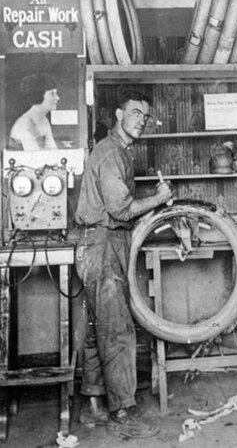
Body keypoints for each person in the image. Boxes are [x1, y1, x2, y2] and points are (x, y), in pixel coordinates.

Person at [75, 90, 173, 439]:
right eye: (134, 113)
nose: (140, 121)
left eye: (145, 117)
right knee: (117, 330)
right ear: (118, 114)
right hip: (103, 244)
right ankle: (122, 411)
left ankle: (93, 406)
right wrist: (160, 200)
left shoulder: (115, 151)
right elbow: (121, 210)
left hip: (95, 242)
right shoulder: (112, 153)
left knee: (96, 329)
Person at [8, 72, 59, 150]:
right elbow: (35, 159)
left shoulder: (44, 120)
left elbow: (54, 151)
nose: (57, 98)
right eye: (52, 94)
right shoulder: (23, 125)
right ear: (38, 95)